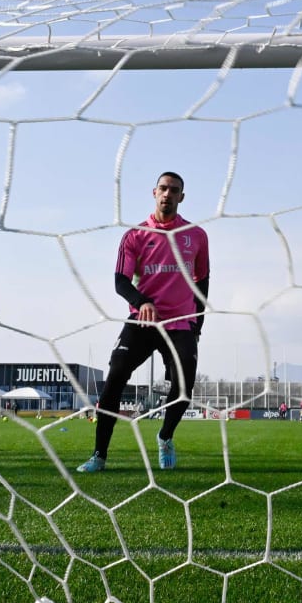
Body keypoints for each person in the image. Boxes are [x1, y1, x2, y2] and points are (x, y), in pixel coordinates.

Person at [77, 171, 210, 473]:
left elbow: (202, 282)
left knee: (183, 388)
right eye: (163, 188)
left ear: (181, 196)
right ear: (154, 192)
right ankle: (99, 455)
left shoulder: (196, 236)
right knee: (114, 380)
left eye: (174, 190)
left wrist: (197, 325)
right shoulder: (135, 235)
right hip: (142, 321)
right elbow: (120, 281)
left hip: (180, 324)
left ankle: (165, 437)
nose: (167, 194)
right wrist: (142, 302)